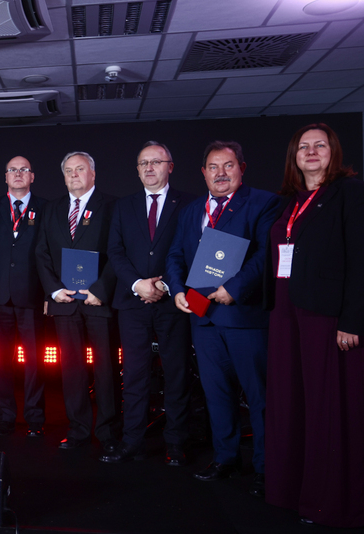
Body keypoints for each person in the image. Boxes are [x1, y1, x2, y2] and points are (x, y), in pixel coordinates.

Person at [263, 123, 364, 527]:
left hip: (328, 318)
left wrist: (353, 319)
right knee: (294, 403)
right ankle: (293, 491)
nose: (311, 151)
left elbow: (361, 259)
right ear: (293, 156)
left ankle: (332, 500)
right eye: (303, 146)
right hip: (287, 315)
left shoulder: (349, 193)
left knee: (328, 408)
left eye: (320, 145)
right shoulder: (291, 201)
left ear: (333, 152)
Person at [165, 141, 278, 496]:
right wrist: (178, 289)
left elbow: (266, 254)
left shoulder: (263, 203)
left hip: (244, 316)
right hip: (203, 317)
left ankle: (266, 468)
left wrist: (235, 287)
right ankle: (226, 459)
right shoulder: (192, 210)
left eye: (228, 166)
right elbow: (175, 254)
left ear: (241, 168)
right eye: (213, 167)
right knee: (216, 395)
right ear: (203, 173)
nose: (221, 173)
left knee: (259, 398)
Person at [103, 141, 193, 464]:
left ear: (171, 166)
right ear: (138, 170)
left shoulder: (189, 205)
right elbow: (115, 251)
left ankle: (177, 445)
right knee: (135, 375)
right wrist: (139, 284)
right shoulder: (123, 207)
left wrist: (165, 285)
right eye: (144, 163)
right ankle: (133, 442)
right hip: (132, 302)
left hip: (173, 303)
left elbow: (189, 251)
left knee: (177, 374)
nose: (150, 168)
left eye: (157, 162)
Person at [35, 151, 118, 450]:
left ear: (93, 173)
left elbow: (118, 252)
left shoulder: (112, 206)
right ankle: (79, 429)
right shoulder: (53, 208)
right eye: (68, 170)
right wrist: (54, 290)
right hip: (64, 301)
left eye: (79, 169)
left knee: (106, 368)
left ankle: (108, 432)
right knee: (71, 368)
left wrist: (101, 289)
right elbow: (41, 252)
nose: (74, 175)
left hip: (99, 300)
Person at [0, 156, 47, 437]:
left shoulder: (47, 208)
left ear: (32, 176)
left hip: (33, 298)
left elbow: (50, 254)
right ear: (5, 177)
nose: (18, 174)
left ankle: (35, 418)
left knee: (35, 362)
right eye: (13, 170)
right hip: (0, 299)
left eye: (24, 170)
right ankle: (6, 416)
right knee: (1, 362)